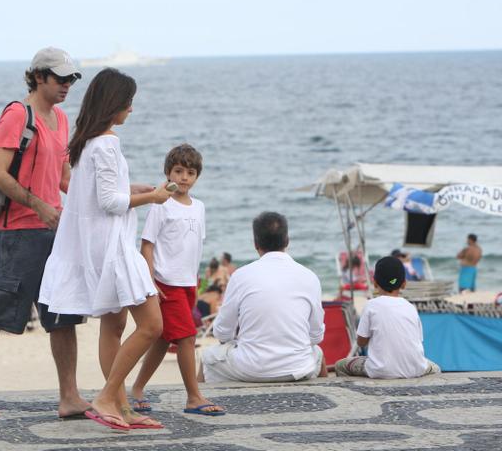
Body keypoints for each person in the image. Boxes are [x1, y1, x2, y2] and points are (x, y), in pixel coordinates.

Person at [0, 47, 88, 421]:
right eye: (60, 78)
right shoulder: (17, 114)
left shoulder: (61, 119)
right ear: (39, 76)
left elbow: (63, 177)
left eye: (71, 79)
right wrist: (39, 205)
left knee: (62, 313)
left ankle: (70, 396)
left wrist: (92, 203)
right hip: (17, 232)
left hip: (53, 232)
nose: (67, 85)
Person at [39, 68, 172, 430]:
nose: (131, 108)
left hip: (96, 247)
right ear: (115, 103)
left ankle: (123, 406)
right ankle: (107, 396)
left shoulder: (86, 141)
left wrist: (139, 186)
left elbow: (100, 191)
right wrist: (154, 197)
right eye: (128, 102)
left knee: (113, 327)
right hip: (114, 247)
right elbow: (111, 201)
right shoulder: (108, 143)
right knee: (151, 325)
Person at [130, 144, 225, 417]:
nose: (184, 177)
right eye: (178, 171)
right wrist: (151, 281)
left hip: (189, 283)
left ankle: (137, 389)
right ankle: (194, 397)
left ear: (197, 176)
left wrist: (196, 281)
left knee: (162, 339)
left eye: (190, 172)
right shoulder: (161, 205)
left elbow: (193, 247)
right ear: (168, 173)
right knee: (187, 336)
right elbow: (146, 245)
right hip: (165, 282)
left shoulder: (199, 207)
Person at [199, 212, 326, 383]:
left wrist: (235, 341)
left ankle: (197, 401)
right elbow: (316, 336)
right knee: (318, 352)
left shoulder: (241, 276)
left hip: (250, 368)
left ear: (255, 243)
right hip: (297, 366)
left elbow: (222, 331)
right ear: (287, 240)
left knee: (207, 356)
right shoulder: (310, 276)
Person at [335, 256, 441, 378]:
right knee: (436, 368)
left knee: (340, 365)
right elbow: (418, 340)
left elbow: (361, 342)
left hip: (380, 370)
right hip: (415, 368)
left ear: (374, 283)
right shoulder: (410, 307)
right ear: (404, 284)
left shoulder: (371, 306)